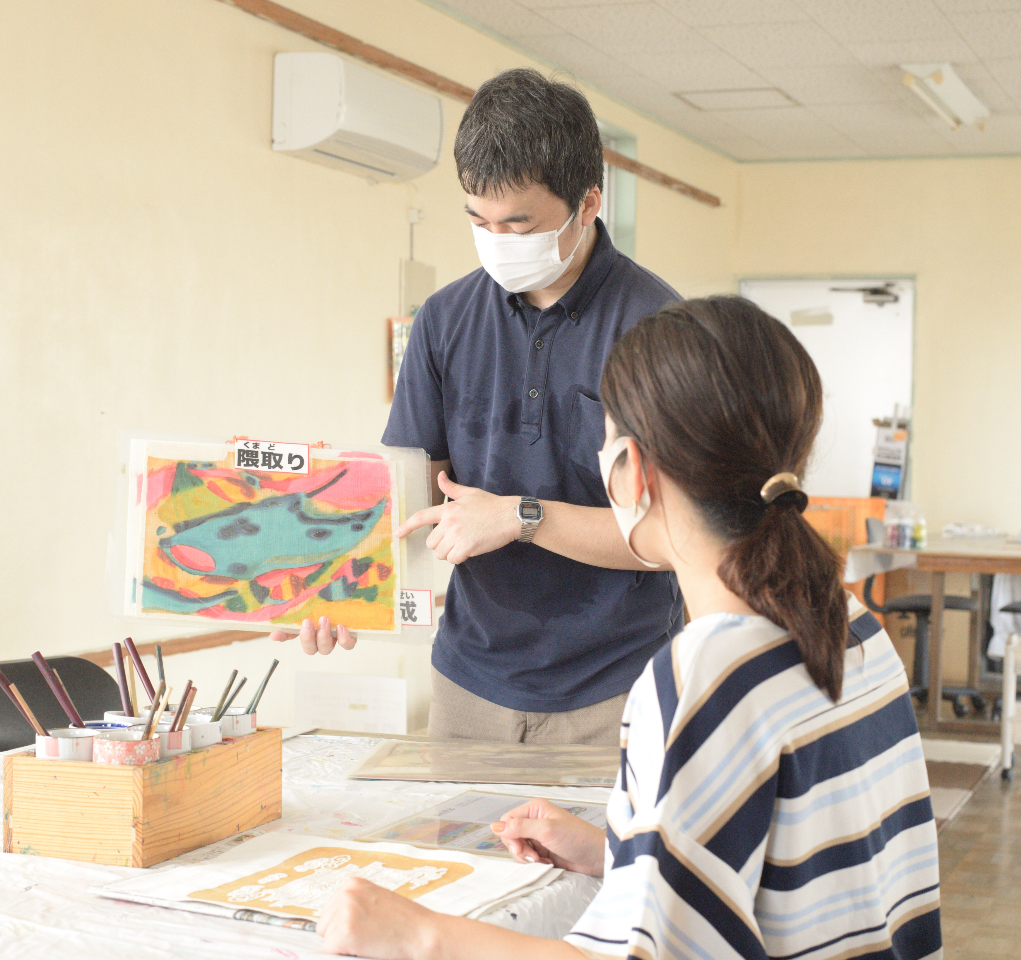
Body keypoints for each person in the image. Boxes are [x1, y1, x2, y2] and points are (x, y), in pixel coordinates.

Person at [317, 296, 942, 960]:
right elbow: (787, 871)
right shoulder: (852, 626)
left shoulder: (702, 680)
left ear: (632, 471)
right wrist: (622, 847)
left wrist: (414, 933)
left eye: (606, 439)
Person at [273, 68, 685, 747]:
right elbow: (405, 499)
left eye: (518, 223)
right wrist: (340, 589)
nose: (496, 239)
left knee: (593, 858)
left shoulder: (658, 327)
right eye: (477, 219)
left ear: (588, 204)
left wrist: (521, 518)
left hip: (615, 687)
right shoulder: (443, 321)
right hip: (468, 679)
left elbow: (673, 538)